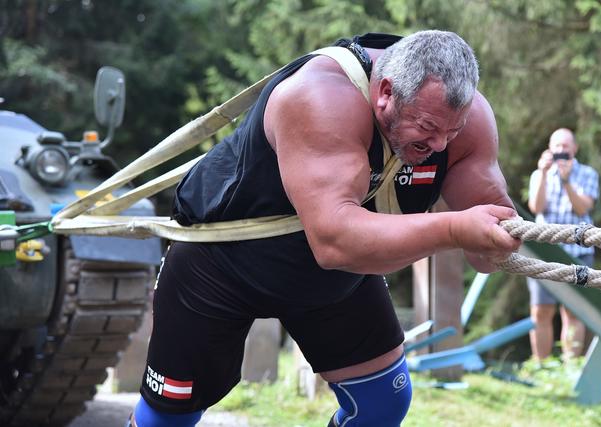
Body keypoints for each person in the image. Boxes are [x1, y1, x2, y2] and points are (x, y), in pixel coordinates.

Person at [128, 30, 521, 427]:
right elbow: (334, 241)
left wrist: (495, 240)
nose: (439, 145)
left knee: (382, 405)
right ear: (385, 92)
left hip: (333, 277)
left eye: (451, 132)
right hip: (222, 263)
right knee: (167, 420)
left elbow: (487, 244)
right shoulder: (322, 97)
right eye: (427, 127)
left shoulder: (463, 119)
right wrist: (455, 230)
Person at [527, 128, 599, 361]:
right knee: (540, 312)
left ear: (574, 149)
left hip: (579, 253)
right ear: (550, 148)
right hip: (545, 251)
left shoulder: (587, 173)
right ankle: (542, 366)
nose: (560, 151)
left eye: (565, 146)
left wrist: (567, 181)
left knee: (574, 312)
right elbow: (536, 208)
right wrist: (543, 174)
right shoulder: (540, 174)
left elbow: (582, 209)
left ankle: (569, 368)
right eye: (556, 146)